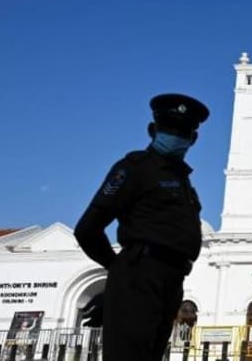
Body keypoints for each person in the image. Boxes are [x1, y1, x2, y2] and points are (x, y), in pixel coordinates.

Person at [74, 93, 210, 361]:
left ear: (193, 139)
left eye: (182, 131)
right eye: (168, 128)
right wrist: (121, 274)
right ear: (152, 130)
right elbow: (87, 229)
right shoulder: (134, 169)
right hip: (140, 275)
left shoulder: (182, 180)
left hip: (171, 280)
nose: (175, 136)